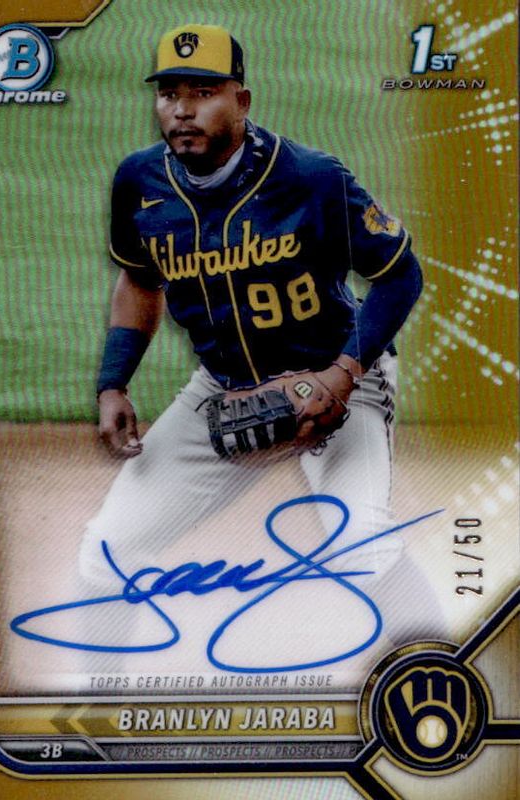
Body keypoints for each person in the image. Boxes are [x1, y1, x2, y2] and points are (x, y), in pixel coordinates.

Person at [79, 23, 442, 649]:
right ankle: (97, 698)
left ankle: (444, 679)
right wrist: (114, 383)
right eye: (169, 93)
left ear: (241, 101)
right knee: (108, 549)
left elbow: (399, 273)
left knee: (362, 547)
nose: (182, 110)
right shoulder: (139, 182)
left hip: (339, 377)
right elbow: (139, 280)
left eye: (203, 92)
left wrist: (343, 374)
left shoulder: (311, 177)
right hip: (221, 389)